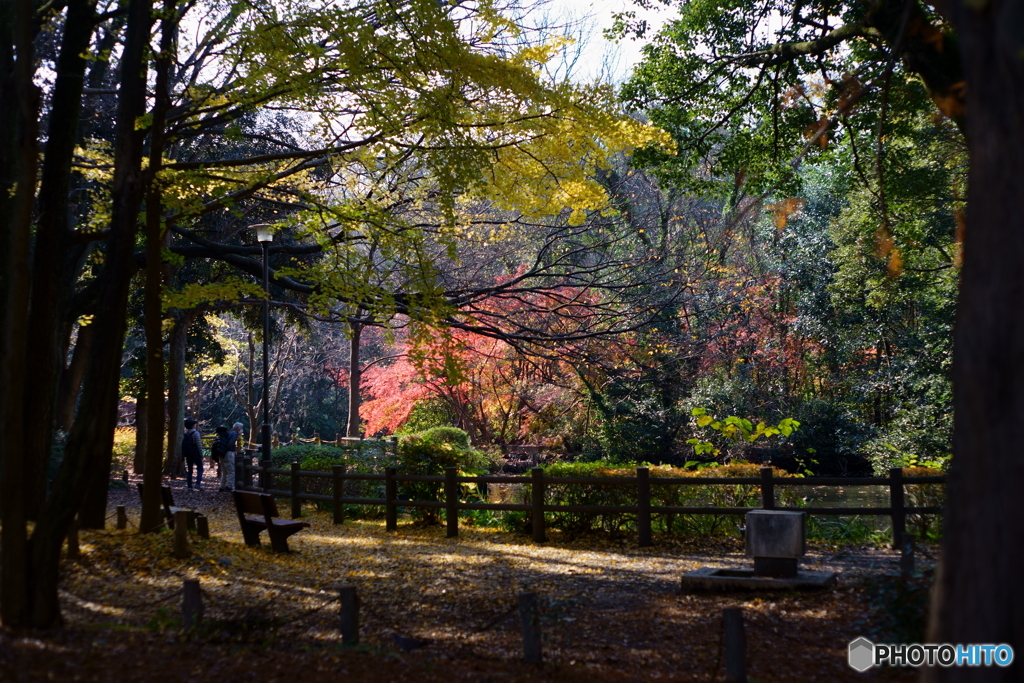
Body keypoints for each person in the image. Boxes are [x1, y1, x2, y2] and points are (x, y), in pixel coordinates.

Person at [182, 418, 204, 492]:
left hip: (188, 454)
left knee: (190, 470)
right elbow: (199, 444)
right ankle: (198, 483)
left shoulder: (185, 434)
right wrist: (201, 454)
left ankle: (189, 486)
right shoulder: (195, 433)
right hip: (195, 453)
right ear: (192, 425)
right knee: (200, 468)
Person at [220, 422, 243, 492]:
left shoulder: (229, 433)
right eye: (240, 427)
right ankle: (229, 487)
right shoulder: (235, 434)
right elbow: (230, 443)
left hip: (222, 453)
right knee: (232, 471)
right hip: (228, 453)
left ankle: (222, 487)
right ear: (237, 428)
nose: (241, 429)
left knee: (224, 472)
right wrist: (233, 449)